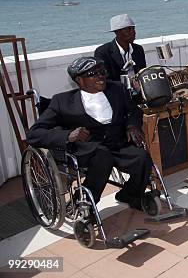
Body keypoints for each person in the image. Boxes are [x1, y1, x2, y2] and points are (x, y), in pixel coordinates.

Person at [26, 57, 152, 210]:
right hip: (89, 149)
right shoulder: (62, 101)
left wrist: (132, 126)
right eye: (93, 73)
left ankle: (130, 194)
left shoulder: (117, 89)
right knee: (102, 157)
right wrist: (68, 135)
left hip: (118, 143)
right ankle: (84, 206)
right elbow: (34, 134)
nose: (101, 76)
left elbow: (133, 110)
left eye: (102, 72)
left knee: (142, 158)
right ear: (79, 80)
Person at [95, 14, 146, 82]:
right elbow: (105, 80)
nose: (133, 32)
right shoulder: (103, 52)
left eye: (133, 29)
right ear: (117, 32)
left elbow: (143, 73)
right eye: (128, 30)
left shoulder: (138, 49)